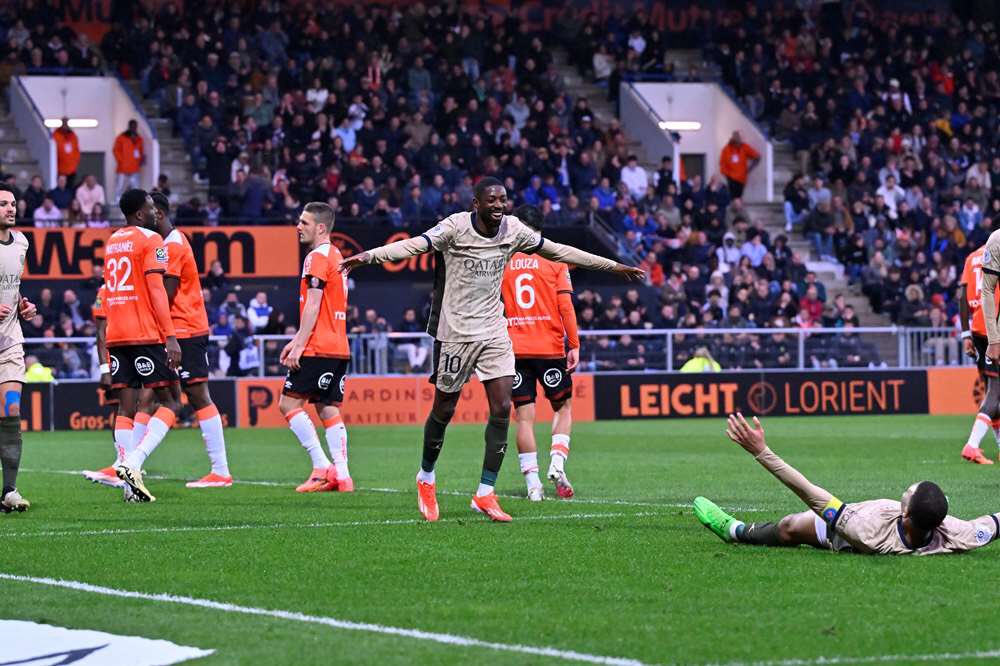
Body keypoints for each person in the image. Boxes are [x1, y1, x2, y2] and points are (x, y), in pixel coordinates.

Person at [340, 177, 644, 522]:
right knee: (444, 408)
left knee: (502, 408)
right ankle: (426, 476)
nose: (499, 205)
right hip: (455, 332)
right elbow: (412, 246)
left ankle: (485, 492)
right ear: (476, 203)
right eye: (492, 200)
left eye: (503, 199)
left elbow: (559, 251)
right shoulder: (454, 227)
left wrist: (613, 265)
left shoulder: (514, 230)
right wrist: (368, 256)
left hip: (495, 332)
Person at [694, 414, 1000, 555]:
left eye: (908, 492)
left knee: (789, 527)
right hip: (868, 516)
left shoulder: (866, 530)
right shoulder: (959, 533)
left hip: (842, 530)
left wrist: (762, 452)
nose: (906, 488)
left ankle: (734, 531)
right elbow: (994, 524)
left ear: (905, 515)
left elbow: (811, 493)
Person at [106, 189, 182, 502]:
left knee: (126, 407)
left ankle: (128, 487)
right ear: (139, 213)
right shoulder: (151, 240)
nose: (156, 212)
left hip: (116, 333)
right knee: (172, 401)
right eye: (151, 208)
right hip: (144, 333)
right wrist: (170, 335)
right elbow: (157, 291)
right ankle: (133, 462)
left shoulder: (113, 241)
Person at [153, 192, 232, 486]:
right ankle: (127, 464)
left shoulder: (172, 245)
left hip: (185, 329)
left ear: (158, 214)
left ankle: (220, 470)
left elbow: (167, 293)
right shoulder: (166, 244)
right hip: (176, 329)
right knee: (149, 395)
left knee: (197, 395)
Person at [501, 205, 579, 501]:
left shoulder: (504, 261)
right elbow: (566, 307)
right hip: (548, 348)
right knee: (563, 408)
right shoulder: (554, 259)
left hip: (515, 349)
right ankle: (557, 464)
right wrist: (574, 344)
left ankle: (533, 485)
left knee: (524, 418)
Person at [278, 202, 354, 494]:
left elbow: (313, 303)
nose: (298, 227)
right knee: (327, 406)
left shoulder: (316, 257)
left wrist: (299, 345)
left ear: (321, 228)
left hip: (319, 346)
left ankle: (321, 467)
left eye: (304, 223)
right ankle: (343, 476)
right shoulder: (336, 255)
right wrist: (296, 339)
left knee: (288, 404)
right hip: (338, 346)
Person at [0, 185, 38, 513]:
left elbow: (14, 284)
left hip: (9, 343)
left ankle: (9, 491)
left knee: (11, 411)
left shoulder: (22, 243)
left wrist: (24, 306)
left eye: (12, 204)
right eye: (2, 204)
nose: (10, 209)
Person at [959, 243, 1000, 464]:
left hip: (977, 327)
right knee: (995, 390)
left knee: (992, 388)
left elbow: (962, 297)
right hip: (993, 329)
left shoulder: (972, 256)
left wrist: (966, 334)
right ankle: (972, 445)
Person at [719, 131, 760, 199]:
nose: (737, 139)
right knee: (733, 197)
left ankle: (738, 207)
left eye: (738, 137)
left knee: (738, 197)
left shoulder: (744, 147)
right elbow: (722, 163)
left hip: (741, 178)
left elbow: (757, 156)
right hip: (731, 177)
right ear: (732, 138)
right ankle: (735, 206)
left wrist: (749, 169)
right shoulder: (726, 149)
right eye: (735, 137)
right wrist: (726, 174)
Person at [113, 120, 145, 200]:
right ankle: (117, 200)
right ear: (129, 126)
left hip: (134, 167)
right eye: (132, 126)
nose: (134, 128)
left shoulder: (139, 138)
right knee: (120, 186)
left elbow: (140, 152)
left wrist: (139, 161)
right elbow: (116, 150)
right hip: (123, 167)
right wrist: (121, 161)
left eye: (135, 126)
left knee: (135, 186)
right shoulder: (121, 137)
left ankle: (136, 201)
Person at [52, 117, 80, 188]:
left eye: (66, 123)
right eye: (64, 123)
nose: (65, 125)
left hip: (71, 169)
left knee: (70, 188)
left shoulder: (73, 136)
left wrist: (75, 163)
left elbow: (77, 150)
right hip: (60, 169)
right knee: (60, 187)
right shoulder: (55, 135)